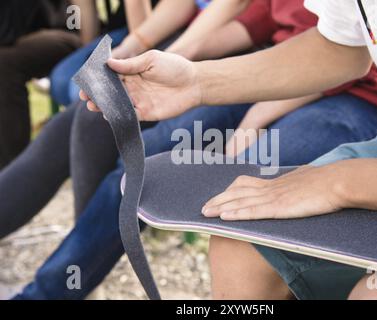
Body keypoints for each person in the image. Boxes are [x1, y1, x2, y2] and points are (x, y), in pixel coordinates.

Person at [8, 0, 377, 300]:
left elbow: (354, 60)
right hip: (282, 73)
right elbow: (260, 23)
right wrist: (182, 69)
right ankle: (47, 293)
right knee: (141, 169)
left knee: (246, 196)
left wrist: (253, 118)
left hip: (365, 100)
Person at [0, 0, 252, 299]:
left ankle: (57, 286)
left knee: (130, 168)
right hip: (194, 42)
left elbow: (256, 22)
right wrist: (141, 52)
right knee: (86, 113)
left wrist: (172, 62)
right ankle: (78, 275)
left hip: (247, 63)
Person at [0, 0, 83, 169]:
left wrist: (86, 49)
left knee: (4, 65)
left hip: (63, 30)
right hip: (25, 35)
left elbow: (7, 33)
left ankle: (13, 171)